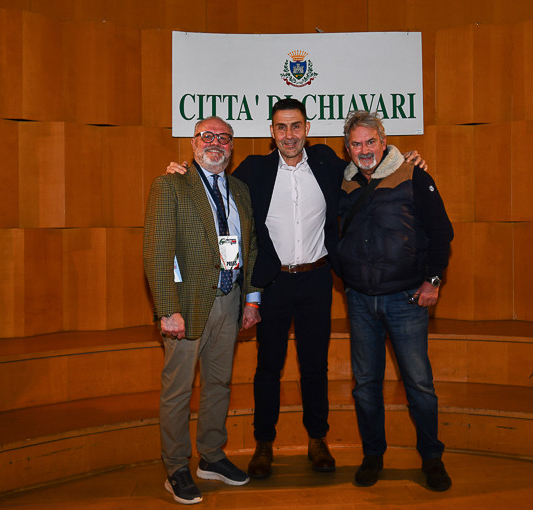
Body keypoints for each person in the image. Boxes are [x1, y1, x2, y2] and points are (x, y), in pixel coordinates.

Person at [166, 99, 426, 480]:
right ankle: (263, 443)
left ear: (307, 128)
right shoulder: (253, 170)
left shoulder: (327, 163)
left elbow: (371, 164)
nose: (289, 135)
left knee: (315, 366)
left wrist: (408, 161)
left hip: (316, 280)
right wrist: (183, 171)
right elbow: (213, 179)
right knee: (268, 368)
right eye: (281, 127)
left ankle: (318, 439)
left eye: (296, 126)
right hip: (273, 284)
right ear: (271, 133)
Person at [144, 116, 261, 505]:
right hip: (187, 305)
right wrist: (167, 309)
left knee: (219, 384)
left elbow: (251, 247)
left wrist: (251, 299)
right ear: (193, 143)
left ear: (232, 146)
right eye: (206, 136)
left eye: (223, 138)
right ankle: (176, 466)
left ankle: (211, 456)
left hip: (230, 301)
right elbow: (157, 251)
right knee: (178, 389)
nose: (215, 143)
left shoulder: (240, 190)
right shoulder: (170, 185)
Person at [336, 110, 454, 491]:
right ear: (348, 149)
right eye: (356, 144)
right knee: (365, 386)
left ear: (383, 141)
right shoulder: (343, 183)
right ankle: (373, 456)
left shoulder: (413, 175)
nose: (364, 150)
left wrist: (432, 281)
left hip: (406, 300)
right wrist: (346, 275)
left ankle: (432, 458)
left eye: (371, 141)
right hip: (359, 302)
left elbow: (441, 232)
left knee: (419, 384)